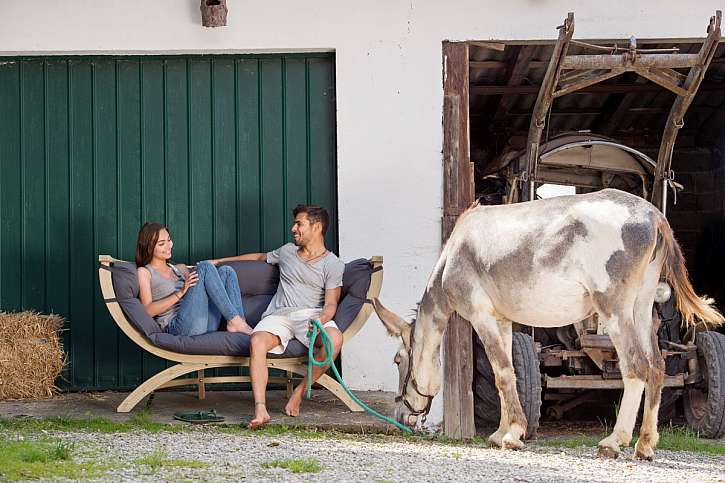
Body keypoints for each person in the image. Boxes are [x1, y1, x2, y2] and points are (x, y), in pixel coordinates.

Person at [211, 205, 345, 428]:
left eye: (299, 223)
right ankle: (260, 409)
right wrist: (220, 262)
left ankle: (299, 393)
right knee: (257, 341)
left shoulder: (333, 264)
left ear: (317, 227)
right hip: (279, 315)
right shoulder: (286, 251)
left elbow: (331, 303)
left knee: (335, 340)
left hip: (311, 316)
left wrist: (321, 320)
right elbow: (259, 257)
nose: (293, 229)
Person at [135, 222, 253, 336]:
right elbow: (148, 310)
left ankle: (239, 323)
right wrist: (180, 292)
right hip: (178, 326)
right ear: (149, 247)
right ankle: (234, 320)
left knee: (226, 271)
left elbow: (197, 294)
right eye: (161, 244)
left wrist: (213, 265)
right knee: (205, 267)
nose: (169, 245)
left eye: (169, 240)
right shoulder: (145, 272)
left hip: (204, 323)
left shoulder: (180, 268)